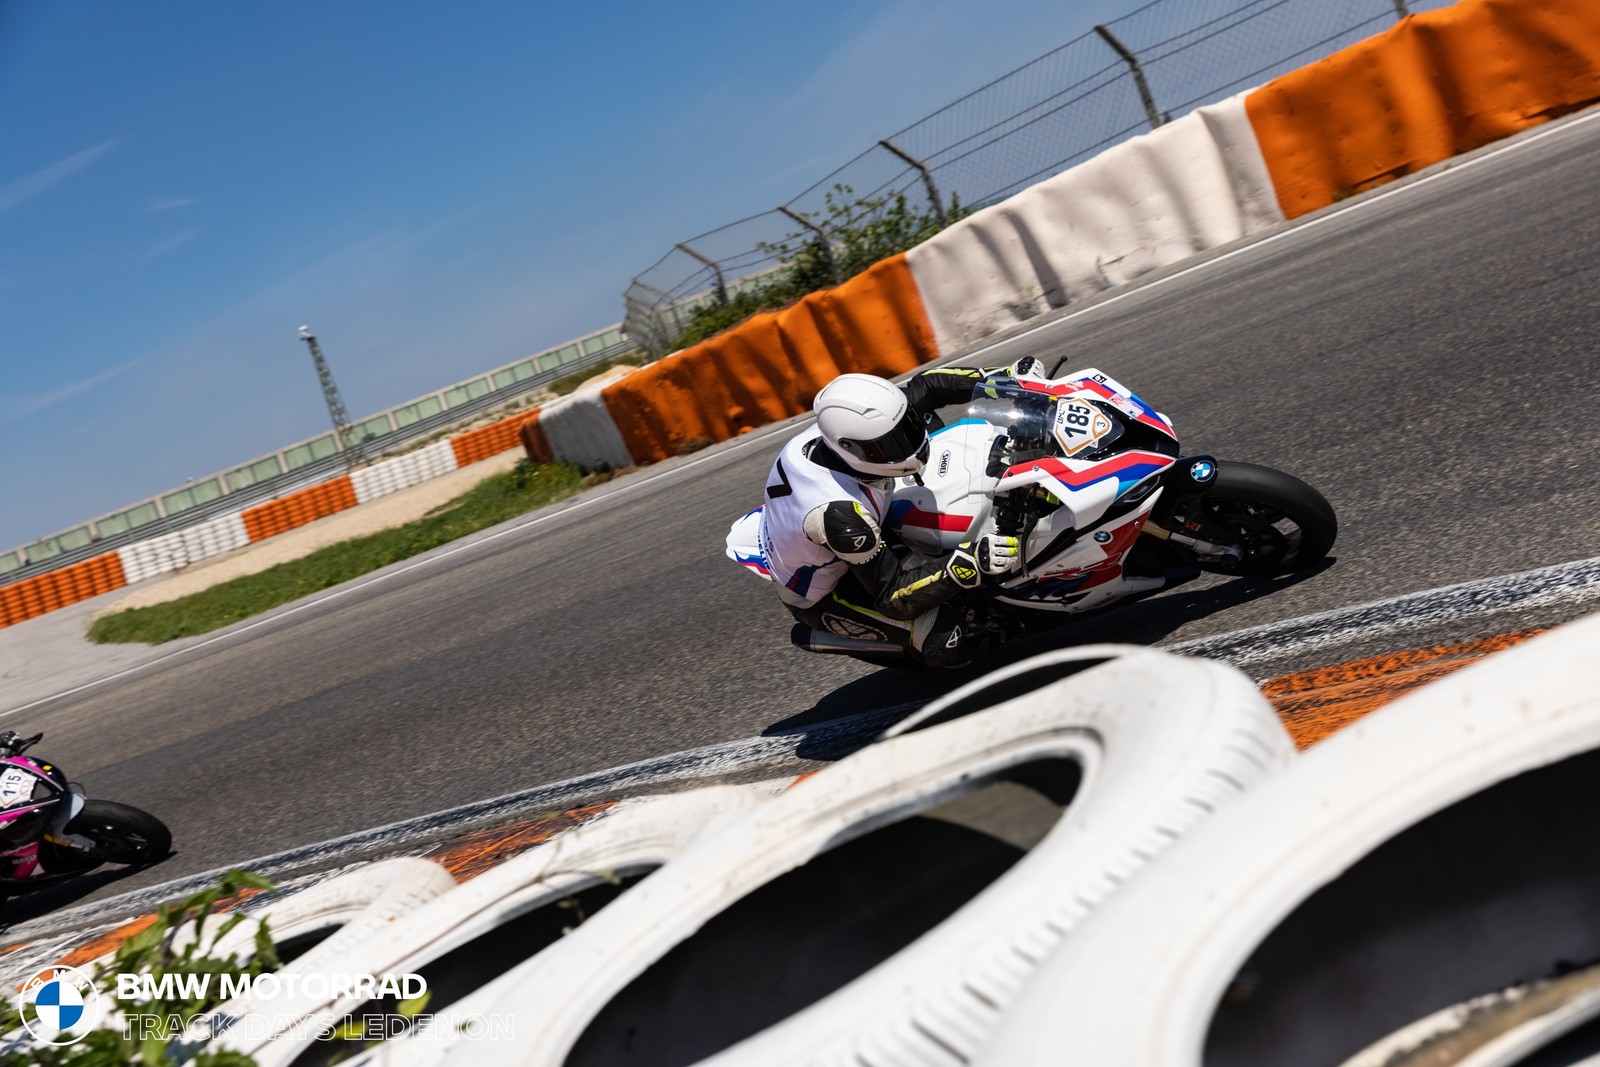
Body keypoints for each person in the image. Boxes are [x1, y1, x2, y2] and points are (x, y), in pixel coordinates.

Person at [757, 362, 1038, 667]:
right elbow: (893, 596)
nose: (911, 445)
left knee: (927, 424)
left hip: (845, 517)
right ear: (849, 448)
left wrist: (1002, 378)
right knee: (944, 634)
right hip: (829, 591)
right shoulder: (843, 520)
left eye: (906, 429)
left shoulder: (862, 427)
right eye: (891, 445)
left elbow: (927, 386)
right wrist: (969, 562)